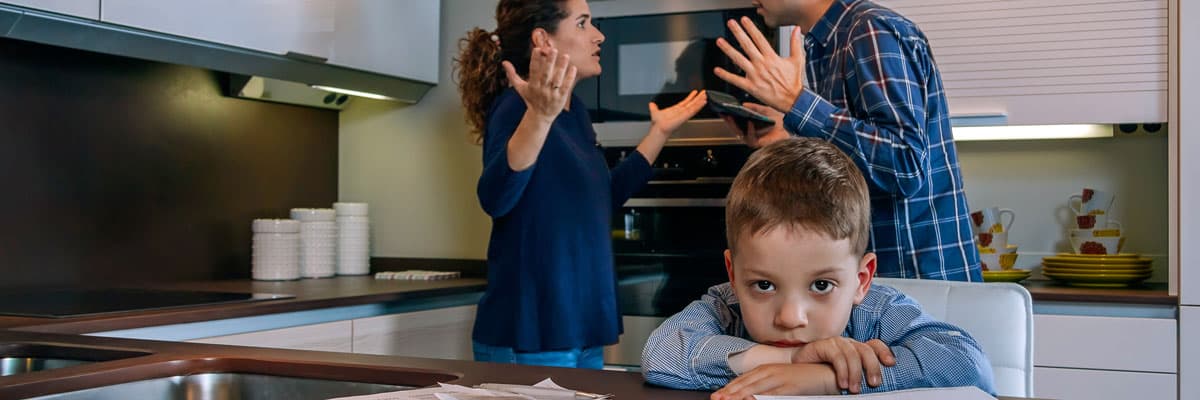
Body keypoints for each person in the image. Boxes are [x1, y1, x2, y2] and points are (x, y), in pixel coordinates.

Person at [454, 0, 708, 369]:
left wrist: (659, 133)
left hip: (582, 330)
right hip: (534, 332)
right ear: (544, 40)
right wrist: (539, 117)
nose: (598, 36)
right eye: (583, 23)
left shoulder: (576, 114)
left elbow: (603, 197)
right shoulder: (516, 107)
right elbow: (495, 196)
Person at [641, 138, 994, 398]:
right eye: (764, 285)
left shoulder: (878, 311)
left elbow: (968, 365)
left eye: (821, 286)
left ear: (861, 280)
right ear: (733, 274)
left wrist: (827, 379)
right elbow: (661, 354)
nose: (790, 318)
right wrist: (790, 359)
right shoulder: (725, 305)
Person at [711, 0, 980, 281]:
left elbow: (905, 166)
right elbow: (859, 157)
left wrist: (797, 103)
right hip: (886, 281)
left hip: (921, 282)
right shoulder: (830, 43)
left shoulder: (869, 30)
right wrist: (792, 132)